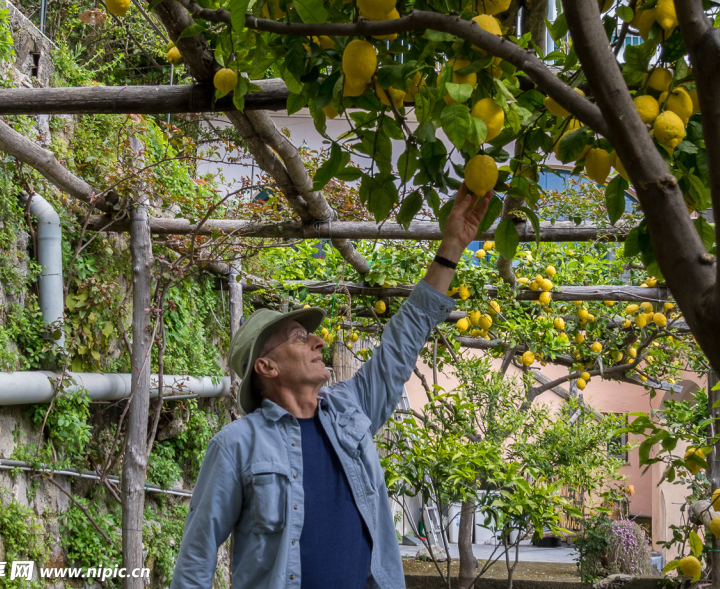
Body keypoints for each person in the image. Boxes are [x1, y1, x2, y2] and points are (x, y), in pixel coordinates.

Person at [169, 185, 492, 589]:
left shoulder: (350, 408)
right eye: (298, 336)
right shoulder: (236, 446)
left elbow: (405, 336)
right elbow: (196, 559)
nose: (318, 341)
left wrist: (451, 249)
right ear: (266, 366)